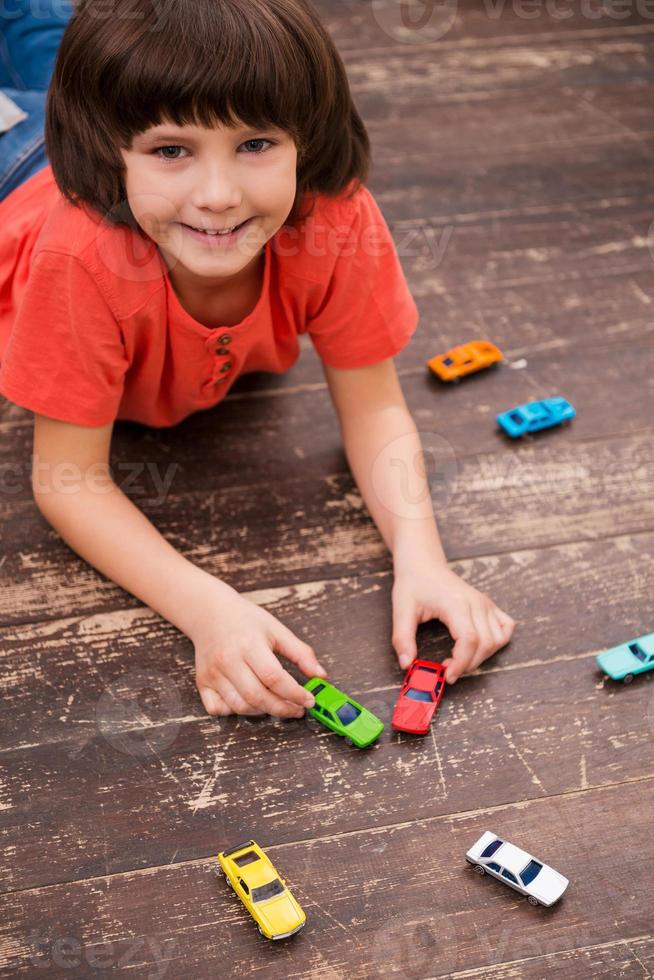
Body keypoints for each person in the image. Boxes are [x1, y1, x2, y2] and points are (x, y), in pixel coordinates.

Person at [0, 0, 514, 719]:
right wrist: (209, 611)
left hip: (97, 117)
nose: (218, 197)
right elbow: (67, 481)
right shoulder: (78, 260)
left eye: (256, 144)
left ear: (307, 137)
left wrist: (424, 560)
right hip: (19, 169)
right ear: (115, 154)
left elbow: (374, 406)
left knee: (51, 43)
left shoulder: (335, 216)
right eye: (171, 151)